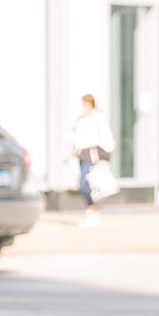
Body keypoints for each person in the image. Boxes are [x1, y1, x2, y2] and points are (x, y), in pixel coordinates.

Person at [65, 94, 115, 227]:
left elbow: (106, 137)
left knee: (89, 184)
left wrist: (104, 157)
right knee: (84, 185)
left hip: (94, 155)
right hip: (83, 155)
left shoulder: (98, 118)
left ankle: (92, 211)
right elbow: (74, 138)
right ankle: (91, 211)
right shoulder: (80, 120)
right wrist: (68, 154)